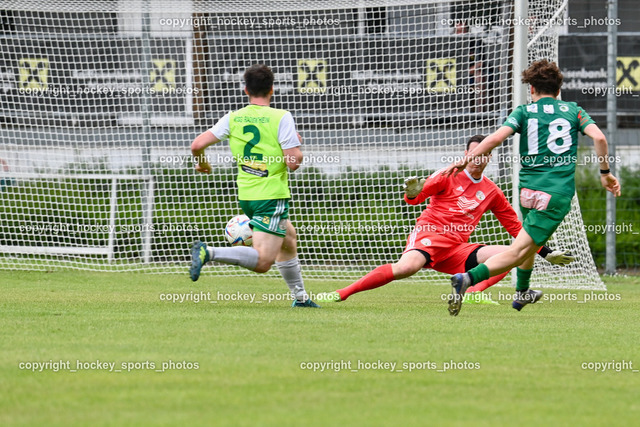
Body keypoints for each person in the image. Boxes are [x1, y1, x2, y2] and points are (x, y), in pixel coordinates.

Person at [443, 59, 621, 316]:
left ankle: (522, 292)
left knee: (526, 243)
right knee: (518, 251)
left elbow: (494, 138)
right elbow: (599, 137)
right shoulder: (573, 111)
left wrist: (464, 161)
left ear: (532, 90)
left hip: (528, 192)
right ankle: (468, 279)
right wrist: (605, 174)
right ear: (558, 90)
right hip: (555, 195)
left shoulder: (523, 111)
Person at [316, 135, 573, 306]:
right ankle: (342, 293)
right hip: (430, 235)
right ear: (466, 154)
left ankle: (472, 292)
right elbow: (416, 199)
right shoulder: (447, 175)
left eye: (484, 154)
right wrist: (412, 192)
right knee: (406, 268)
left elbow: (516, 227)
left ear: (489, 157)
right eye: (474, 154)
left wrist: (545, 252)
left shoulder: (492, 191)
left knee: (513, 254)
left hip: (457, 249)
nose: (478, 159)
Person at [189, 64, 319, 308]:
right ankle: (209, 252)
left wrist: (203, 164)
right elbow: (293, 163)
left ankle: (301, 298)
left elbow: (197, 145)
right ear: (272, 90)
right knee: (263, 262)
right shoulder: (281, 117)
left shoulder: (233, 117)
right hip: (271, 196)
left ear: (246, 90)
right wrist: (294, 146)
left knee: (288, 239)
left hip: (247, 196)